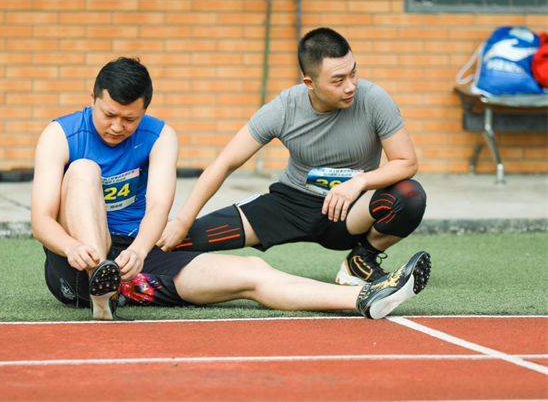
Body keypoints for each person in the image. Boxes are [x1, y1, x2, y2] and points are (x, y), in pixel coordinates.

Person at [30, 56, 432, 321]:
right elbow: (42, 219)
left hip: (135, 261)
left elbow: (158, 208)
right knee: (83, 170)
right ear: (92, 98)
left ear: (145, 110)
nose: (118, 126)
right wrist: (72, 248)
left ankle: (366, 297)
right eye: (109, 115)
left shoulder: (160, 136)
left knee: (253, 272)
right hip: (77, 265)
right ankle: (101, 294)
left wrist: (138, 250)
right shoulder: (61, 134)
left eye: (130, 119)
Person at [157, 28, 427, 286]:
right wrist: (182, 221)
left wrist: (360, 183)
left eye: (353, 73)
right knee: (179, 241)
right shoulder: (284, 108)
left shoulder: (374, 99)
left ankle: (361, 259)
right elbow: (225, 163)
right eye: (338, 80)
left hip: (349, 209)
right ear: (310, 82)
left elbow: (406, 162)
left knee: (410, 196)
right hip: (290, 205)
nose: (350, 86)